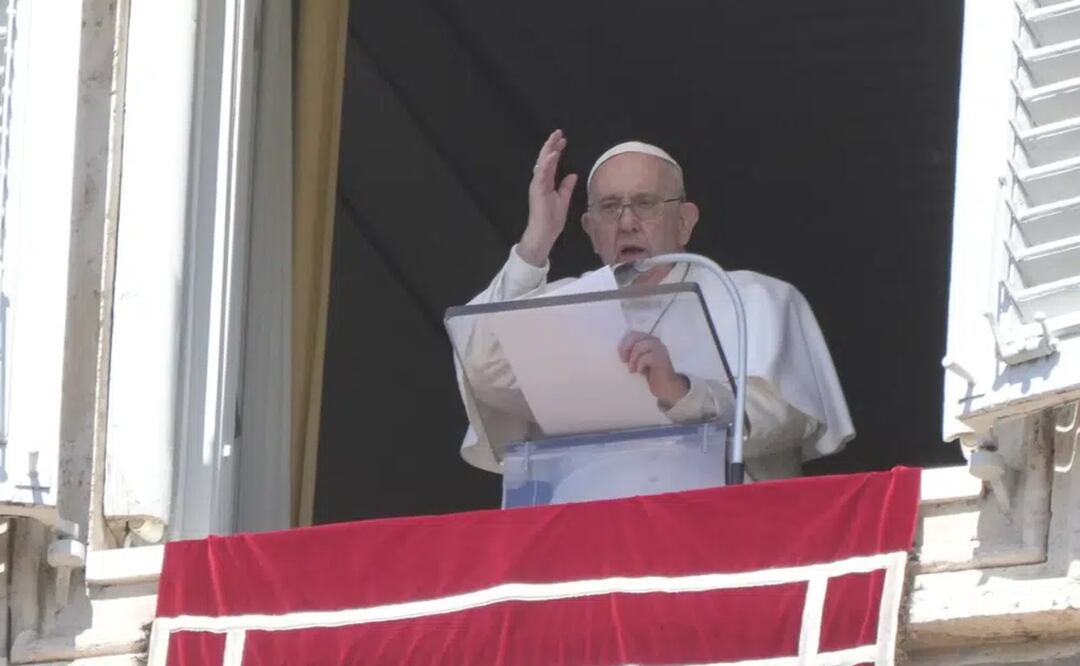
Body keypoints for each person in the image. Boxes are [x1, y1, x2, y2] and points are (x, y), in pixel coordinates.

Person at [452, 129, 854, 495]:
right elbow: (480, 365)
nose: (627, 223)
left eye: (645, 204)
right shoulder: (563, 303)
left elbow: (787, 415)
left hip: (716, 527)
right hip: (585, 530)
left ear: (684, 222)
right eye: (610, 208)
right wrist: (535, 243)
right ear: (590, 230)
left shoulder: (751, 296)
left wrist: (681, 391)